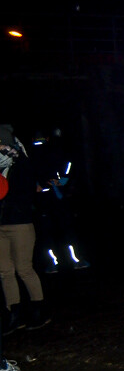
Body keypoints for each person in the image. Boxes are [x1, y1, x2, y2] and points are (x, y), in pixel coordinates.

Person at [0, 125, 50, 332]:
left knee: (24, 269)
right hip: (1, 224)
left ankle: (39, 310)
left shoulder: (22, 163)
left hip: (20, 223)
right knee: (4, 271)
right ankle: (14, 314)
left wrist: (14, 162)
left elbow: (27, 189)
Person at [32, 127, 90, 273]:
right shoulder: (34, 153)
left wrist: (61, 180)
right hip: (47, 199)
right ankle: (64, 261)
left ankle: (68, 261)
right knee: (57, 231)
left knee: (55, 231)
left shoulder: (47, 151)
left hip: (53, 198)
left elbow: (68, 164)